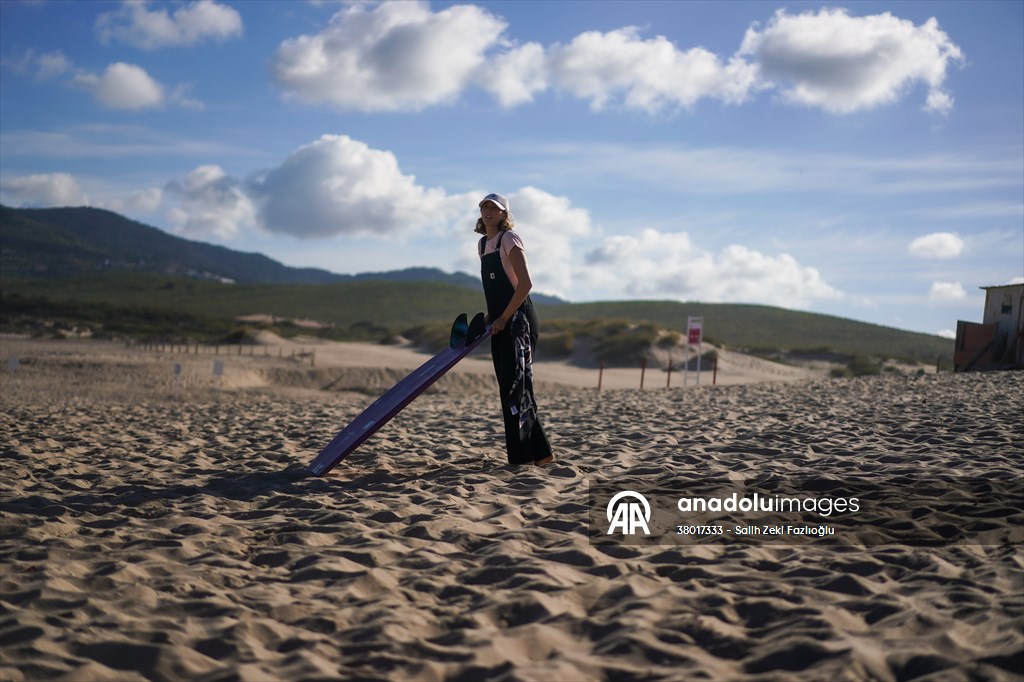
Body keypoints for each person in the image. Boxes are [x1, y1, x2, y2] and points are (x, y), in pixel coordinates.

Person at [476, 193, 554, 466]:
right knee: (507, 389)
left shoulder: (510, 239)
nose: (488, 211)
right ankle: (531, 456)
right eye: (484, 206)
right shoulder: (483, 244)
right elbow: (496, 289)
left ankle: (534, 457)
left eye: (494, 208)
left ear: (504, 214)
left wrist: (505, 317)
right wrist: (491, 317)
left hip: (519, 322)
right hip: (500, 323)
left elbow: (525, 284)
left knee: (518, 388)